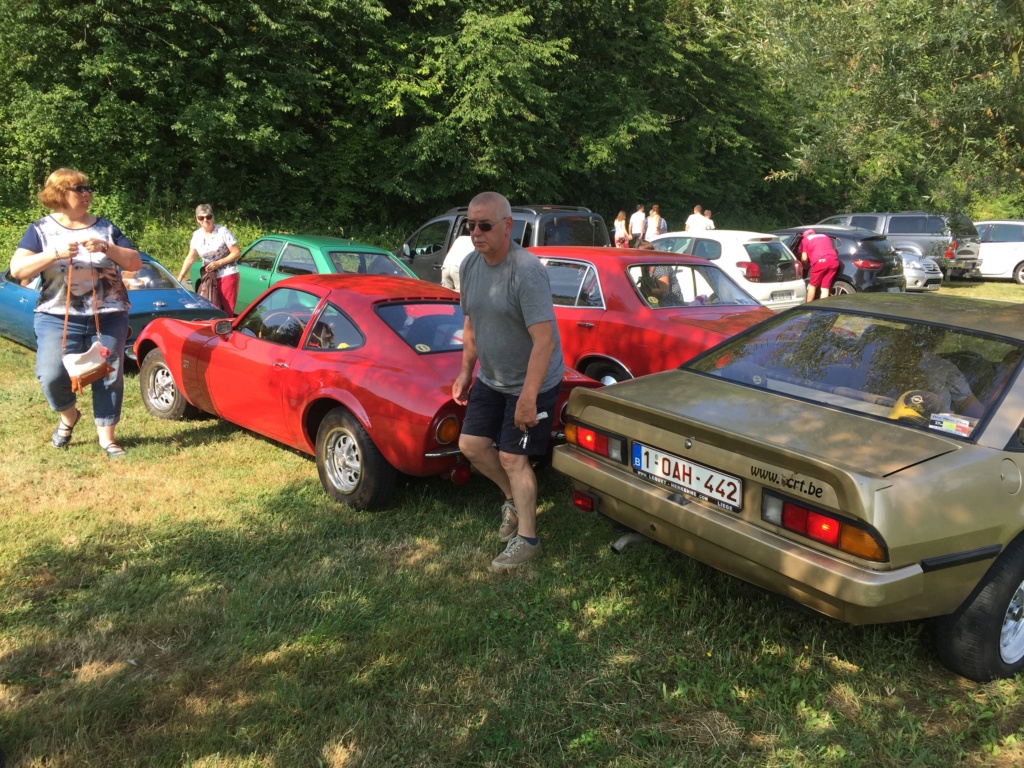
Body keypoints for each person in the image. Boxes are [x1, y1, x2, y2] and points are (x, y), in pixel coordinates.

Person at [452, 191, 565, 570]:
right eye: (471, 225)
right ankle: (513, 501)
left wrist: (529, 398)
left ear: (507, 226)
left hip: (532, 380)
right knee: (471, 444)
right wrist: (467, 371)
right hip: (492, 377)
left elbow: (544, 340)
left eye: (485, 225)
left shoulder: (526, 271)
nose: (477, 232)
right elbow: (471, 323)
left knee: (513, 457)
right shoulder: (470, 265)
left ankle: (529, 538)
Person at [10, 168, 142, 457]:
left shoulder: (105, 228)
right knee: (51, 373)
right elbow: (17, 269)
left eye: (88, 188)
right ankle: (69, 416)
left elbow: (135, 263)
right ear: (59, 194)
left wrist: (107, 247)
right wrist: (54, 254)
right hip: (56, 315)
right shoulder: (41, 230)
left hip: (108, 314)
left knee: (107, 374)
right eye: (79, 189)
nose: (87, 194)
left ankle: (107, 438)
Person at [177, 204, 242, 315]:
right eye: (201, 217)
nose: (205, 220)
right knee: (209, 308)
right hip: (209, 277)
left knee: (226, 311)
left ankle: (227, 330)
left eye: (208, 217)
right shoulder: (196, 235)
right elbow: (191, 257)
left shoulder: (222, 231)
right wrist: (180, 277)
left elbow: (236, 253)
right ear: (197, 219)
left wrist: (218, 263)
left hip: (227, 275)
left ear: (213, 217)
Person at [799, 228, 839, 301]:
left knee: (812, 286)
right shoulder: (825, 236)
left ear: (804, 236)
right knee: (825, 287)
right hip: (834, 260)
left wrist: (805, 265)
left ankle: (808, 308)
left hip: (820, 261)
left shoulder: (805, 240)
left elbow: (804, 258)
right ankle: (822, 310)